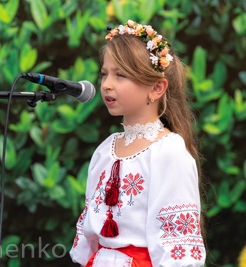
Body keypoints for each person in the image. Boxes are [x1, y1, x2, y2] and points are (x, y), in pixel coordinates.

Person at [69, 20, 206, 267]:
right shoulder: (105, 150)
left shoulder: (168, 151)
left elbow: (177, 248)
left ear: (156, 87)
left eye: (121, 75)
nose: (107, 84)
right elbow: (89, 233)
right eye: (105, 74)